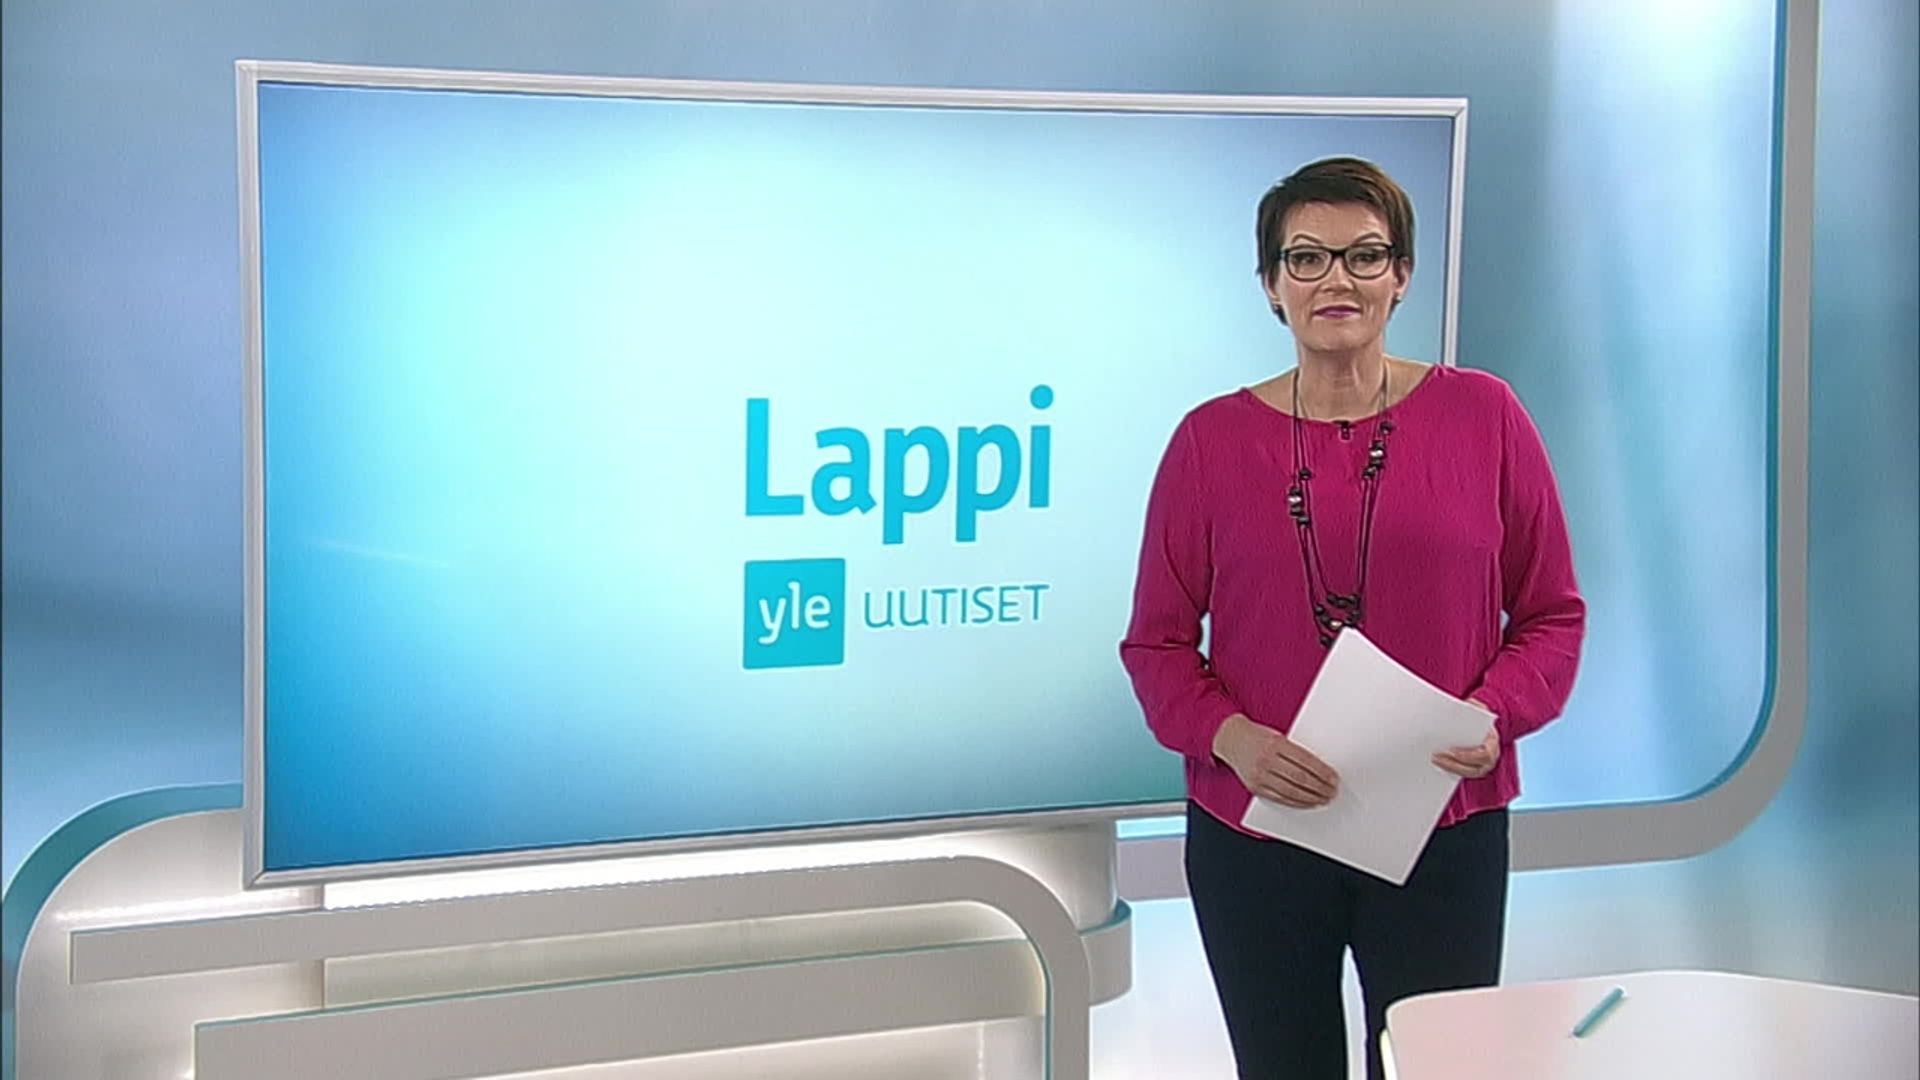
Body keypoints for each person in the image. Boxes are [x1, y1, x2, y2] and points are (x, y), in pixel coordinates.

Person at [1119, 156, 1585, 1080]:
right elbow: (1157, 645)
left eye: (1365, 256)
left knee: (1437, 1070)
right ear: (1271, 285)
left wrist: (1493, 713)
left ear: (1401, 276)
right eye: (1307, 258)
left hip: (1441, 830)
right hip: (1257, 836)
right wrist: (1233, 739)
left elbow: (1551, 615)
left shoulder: (1486, 415)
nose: (1337, 279)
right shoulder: (1208, 441)